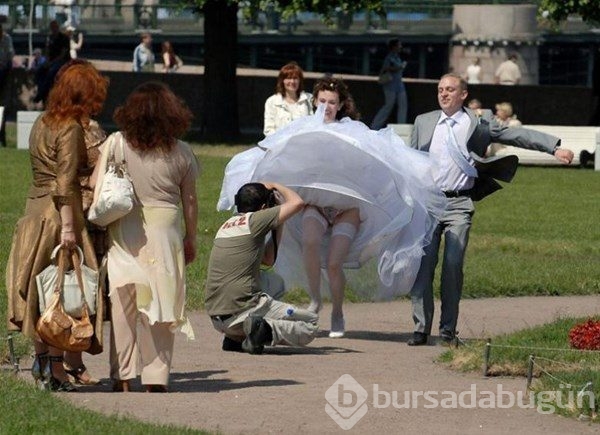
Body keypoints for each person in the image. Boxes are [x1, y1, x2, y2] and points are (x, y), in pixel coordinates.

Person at [217, 76, 445, 339]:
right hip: (315, 205)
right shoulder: (302, 128)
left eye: (332, 102)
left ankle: (338, 311)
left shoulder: (352, 130)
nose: (327, 106)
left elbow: (376, 156)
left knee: (334, 263)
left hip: (346, 209)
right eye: (322, 100)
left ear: (341, 104)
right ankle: (315, 300)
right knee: (311, 244)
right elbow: (276, 150)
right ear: (314, 101)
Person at [406, 73, 574, 346]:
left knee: (452, 265)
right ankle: (420, 328)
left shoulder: (479, 122)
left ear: (463, 95)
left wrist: (553, 148)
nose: (444, 94)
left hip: (459, 204)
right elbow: (410, 161)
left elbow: (516, 134)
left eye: (450, 89)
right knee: (423, 268)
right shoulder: (423, 121)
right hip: (428, 203)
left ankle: (447, 330)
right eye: (440, 89)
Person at [5, 61, 109, 391]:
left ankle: (43, 363)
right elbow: (65, 184)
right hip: (59, 216)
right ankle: (57, 370)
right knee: (64, 294)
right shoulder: (71, 127)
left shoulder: (41, 121)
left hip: (32, 212)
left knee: (40, 292)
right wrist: (69, 229)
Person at [94, 82, 199, 393]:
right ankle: (155, 376)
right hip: (164, 230)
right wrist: (191, 237)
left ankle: (122, 375)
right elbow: (190, 200)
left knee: (122, 304)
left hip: (125, 227)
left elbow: (97, 184)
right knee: (160, 304)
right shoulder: (182, 151)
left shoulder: (116, 143)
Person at [205, 182, 319, 354]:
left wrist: (278, 222)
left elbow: (268, 259)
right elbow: (297, 203)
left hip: (218, 316)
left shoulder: (227, 224)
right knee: (310, 324)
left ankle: (236, 337)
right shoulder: (255, 220)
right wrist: (274, 185)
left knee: (274, 282)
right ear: (264, 207)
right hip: (241, 310)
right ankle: (261, 331)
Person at [263, 61, 313, 136]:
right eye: (289, 78)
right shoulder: (272, 102)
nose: (292, 81)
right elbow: (268, 130)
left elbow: (314, 125)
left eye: (295, 78)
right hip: (280, 145)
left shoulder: (309, 99)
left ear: (300, 80)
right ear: (282, 81)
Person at [371, 38, 408, 129]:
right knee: (388, 105)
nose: (400, 47)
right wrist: (399, 67)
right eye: (399, 45)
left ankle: (401, 126)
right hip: (390, 85)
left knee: (403, 105)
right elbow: (386, 68)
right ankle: (375, 126)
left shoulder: (397, 57)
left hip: (399, 85)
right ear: (394, 47)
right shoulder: (389, 57)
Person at [34, 20, 71, 104]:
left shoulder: (64, 38)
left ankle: (42, 93)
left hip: (62, 61)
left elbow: (63, 54)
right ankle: (41, 91)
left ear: (57, 28)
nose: (53, 29)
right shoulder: (49, 38)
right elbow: (47, 51)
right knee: (39, 70)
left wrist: (52, 63)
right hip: (51, 61)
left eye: (55, 27)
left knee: (51, 72)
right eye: (52, 27)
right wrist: (47, 61)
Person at [0, 24, 14, 147]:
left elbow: (10, 56)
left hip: (4, 75)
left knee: (3, 109)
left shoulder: (7, 39)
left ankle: (3, 138)